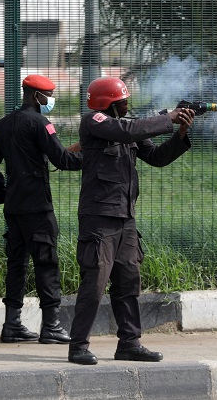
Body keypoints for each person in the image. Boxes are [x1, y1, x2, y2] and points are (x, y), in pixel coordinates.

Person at [67, 77, 195, 365]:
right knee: (94, 284)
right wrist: (167, 118)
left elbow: (157, 157)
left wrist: (180, 132)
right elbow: (125, 130)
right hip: (99, 218)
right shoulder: (94, 121)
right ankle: (78, 347)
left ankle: (129, 343)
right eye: (122, 102)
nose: (127, 106)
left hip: (126, 218)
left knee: (128, 281)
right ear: (107, 103)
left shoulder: (130, 127)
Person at [0, 74, 83, 344]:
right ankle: (51, 326)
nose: (50, 100)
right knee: (46, 263)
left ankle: (12, 324)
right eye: (48, 95)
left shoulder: (4, 124)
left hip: (14, 208)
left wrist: (4, 195)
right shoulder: (41, 123)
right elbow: (62, 160)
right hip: (38, 208)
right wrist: (90, 155)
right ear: (36, 96)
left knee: (16, 264)